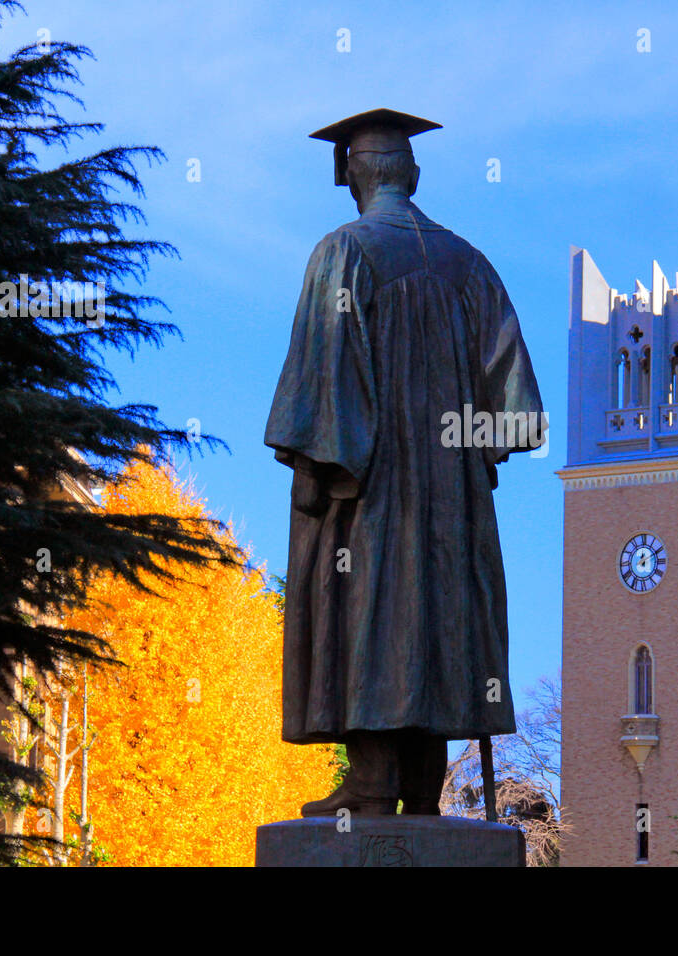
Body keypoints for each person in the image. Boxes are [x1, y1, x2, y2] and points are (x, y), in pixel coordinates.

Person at [264, 108, 546, 816]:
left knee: (373, 607)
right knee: (440, 618)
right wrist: (461, 465)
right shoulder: (472, 266)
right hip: (452, 501)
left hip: (371, 488)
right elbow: (517, 411)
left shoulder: (343, 253)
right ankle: (420, 789)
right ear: (411, 172)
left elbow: (321, 389)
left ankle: (371, 780)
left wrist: (322, 466)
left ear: (351, 171)